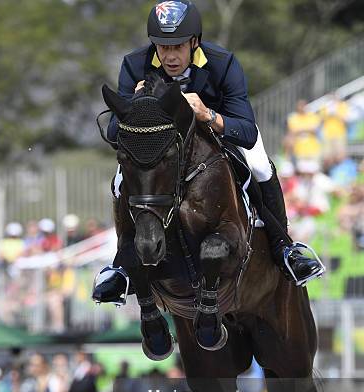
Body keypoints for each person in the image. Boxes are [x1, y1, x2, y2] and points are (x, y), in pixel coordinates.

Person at [93, 0, 324, 305]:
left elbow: (247, 129)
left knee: (260, 165)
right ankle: (120, 268)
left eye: (177, 46)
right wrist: (134, 107)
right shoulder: (135, 65)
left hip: (216, 138)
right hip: (162, 149)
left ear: (194, 41)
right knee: (123, 178)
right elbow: (113, 132)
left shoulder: (222, 63)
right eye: (162, 47)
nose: (170, 56)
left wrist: (208, 115)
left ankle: (285, 248)